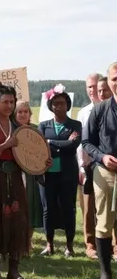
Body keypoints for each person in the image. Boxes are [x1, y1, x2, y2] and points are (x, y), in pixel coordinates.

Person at [0, 84, 51, 279]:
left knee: (17, 220)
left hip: (14, 178)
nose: (9, 105)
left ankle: (14, 270)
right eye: (5, 102)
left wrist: (42, 161)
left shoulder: (18, 128)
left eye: (12, 102)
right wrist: (4, 145)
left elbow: (28, 155)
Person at [37, 84, 82, 257]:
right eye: (55, 104)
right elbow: (40, 146)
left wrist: (50, 143)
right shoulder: (43, 125)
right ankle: (49, 245)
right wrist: (59, 144)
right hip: (47, 174)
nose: (58, 106)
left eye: (62, 103)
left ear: (67, 105)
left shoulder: (75, 124)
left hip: (68, 173)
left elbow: (73, 145)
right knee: (48, 209)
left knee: (68, 208)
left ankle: (69, 246)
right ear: (50, 106)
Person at [82, 62, 117, 279]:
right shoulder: (100, 110)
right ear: (109, 81)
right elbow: (87, 142)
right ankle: (106, 273)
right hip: (106, 173)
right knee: (103, 223)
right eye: (115, 78)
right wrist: (102, 156)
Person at [77, 73, 105, 259]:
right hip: (87, 167)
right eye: (89, 87)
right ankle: (90, 244)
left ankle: (111, 244)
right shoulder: (83, 112)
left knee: (108, 207)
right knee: (88, 208)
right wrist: (80, 166)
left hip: (105, 165)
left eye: (95, 87)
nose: (92, 91)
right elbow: (80, 142)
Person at [14, 101, 43, 230]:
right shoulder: (9, 129)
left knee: (30, 206)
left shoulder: (36, 129)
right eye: (19, 112)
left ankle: (28, 240)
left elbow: (43, 151)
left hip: (31, 174)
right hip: (14, 172)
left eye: (25, 111)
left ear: (30, 114)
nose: (22, 114)